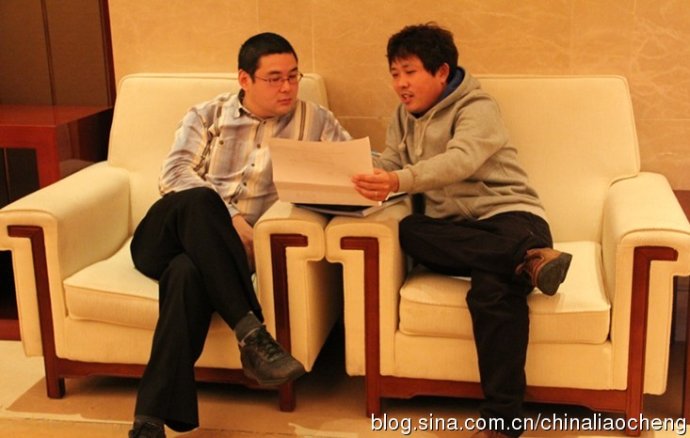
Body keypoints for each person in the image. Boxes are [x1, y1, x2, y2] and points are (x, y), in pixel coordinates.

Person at [352, 23, 572, 438]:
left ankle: (502, 424)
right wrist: (359, 172)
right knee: (411, 230)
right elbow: (393, 161)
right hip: (459, 234)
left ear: (441, 71)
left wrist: (399, 180)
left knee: (492, 291)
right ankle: (528, 261)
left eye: (410, 72)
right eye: (395, 73)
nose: (400, 84)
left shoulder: (478, 106)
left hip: (512, 219)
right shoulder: (402, 115)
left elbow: (461, 160)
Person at [128, 32, 351, 438]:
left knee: (186, 275)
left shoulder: (315, 121)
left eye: (294, 76)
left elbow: (349, 169)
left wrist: (390, 171)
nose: (287, 87)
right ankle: (252, 333)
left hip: (220, 258)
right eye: (274, 78)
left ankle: (148, 420)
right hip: (164, 237)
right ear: (244, 79)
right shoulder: (207, 115)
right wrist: (229, 218)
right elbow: (174, 174)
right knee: (200, 200)